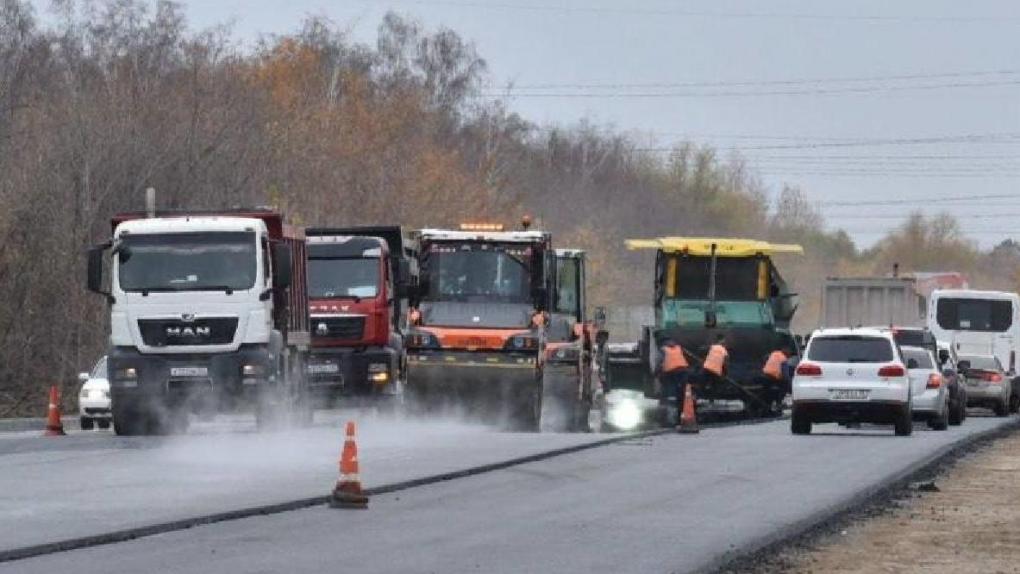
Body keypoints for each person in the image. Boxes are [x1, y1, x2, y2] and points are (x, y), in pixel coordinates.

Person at [656, 339, 690, 426]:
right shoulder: (678, 348)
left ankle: (668, 411)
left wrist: (656, 372)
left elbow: (659, 362)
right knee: (681, 392)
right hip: (683, 371)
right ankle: (681, 411)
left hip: (671, 372)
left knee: (667, 390)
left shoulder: (663, 349)